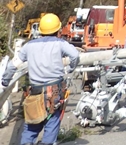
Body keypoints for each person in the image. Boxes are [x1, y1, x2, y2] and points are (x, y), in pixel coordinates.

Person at [1, 13, 79, 145]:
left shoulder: (29, 46)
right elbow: (75, 56)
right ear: (58, 30)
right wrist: (70, 69)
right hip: (54, 91)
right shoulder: (60, 43)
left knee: (31, 126)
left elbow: (12, 65)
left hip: (35, 92)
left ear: (40, 30)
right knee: (52, 123)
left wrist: (5, 81)